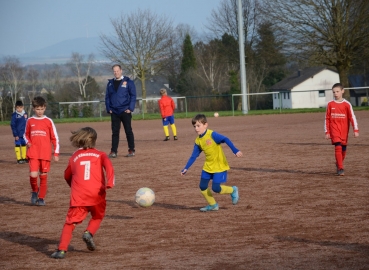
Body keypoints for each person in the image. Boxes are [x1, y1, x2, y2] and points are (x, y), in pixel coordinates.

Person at [51, 127, 115, 259]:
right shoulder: (100, 154)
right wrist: (110, 183)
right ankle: (88, 233)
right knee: (97, 217)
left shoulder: (74, 157)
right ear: (94, 141)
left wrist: (73, 187)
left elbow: (67, 176)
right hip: (97, 194)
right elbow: (109, 166)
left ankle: (61, 250)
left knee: (70, 223)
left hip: (79, 196)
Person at [181, 114, 243, 212]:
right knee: (202, 186)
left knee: (216, 188)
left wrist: (235, 150)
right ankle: (213, 205)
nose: (196, 128)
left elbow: (225, 139)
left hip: (219, 166)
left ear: (205, 125)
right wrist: (186, 168)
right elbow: (194, 155)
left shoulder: (212, 135)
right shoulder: (198, 140)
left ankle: (233, 190)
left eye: (198, 126)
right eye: (194, 126)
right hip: (208, 166)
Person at [24, 96, 60, 206]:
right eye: (37, 109)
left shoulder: (48, 121)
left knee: (43, 175)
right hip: (33, 152)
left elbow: (55, 138)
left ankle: (41, 198)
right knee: (33, 175)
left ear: (45, 108)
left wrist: (56, 153)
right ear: (33, 109)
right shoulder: (30, 121)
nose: (40, 111)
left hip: (45, 153)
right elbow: (25, 134)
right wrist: (28, 141)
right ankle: (35, 191)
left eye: (42, 109)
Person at [325, 83, 359, 176]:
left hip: (344, 130)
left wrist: (355, 130)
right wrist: (327, 131)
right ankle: (340, 168)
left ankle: (338, 163)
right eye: (334, 92)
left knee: (343, 148)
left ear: (342, 91)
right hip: (334, 129)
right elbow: (327, 118)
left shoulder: (347, 104)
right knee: (338, 146)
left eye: (337, 91)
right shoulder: (330, 104)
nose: (335, 93)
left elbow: (352, 117)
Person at [105, 64, 136, 158]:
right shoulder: (110, 83)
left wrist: (130, 108)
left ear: (121, 71)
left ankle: (131, 150)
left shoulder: (128, 82)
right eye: (114, 71)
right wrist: (108, 108)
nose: (116, 73)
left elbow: (133, 95)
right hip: (114, 111)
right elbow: (107, 97)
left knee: (128, 131)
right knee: (115, 132)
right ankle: (113, 151)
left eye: (117, 71)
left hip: (125, 111)